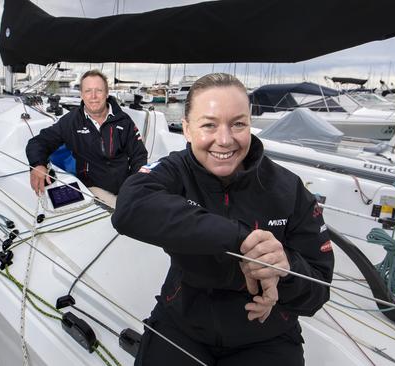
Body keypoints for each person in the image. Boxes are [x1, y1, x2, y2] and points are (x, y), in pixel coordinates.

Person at [111, 73, 334, 365]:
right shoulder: (175, 170)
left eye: (238, 124)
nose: (225, 139)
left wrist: (284, 270)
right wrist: (241, 239)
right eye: (209, 125)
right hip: (183, 323)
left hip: (266, 335)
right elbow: (129, 208)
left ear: (250, 125)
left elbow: (318, 292)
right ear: (188, 130)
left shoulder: (289, 189)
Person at [26, 69, 148, 205]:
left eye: (99, 90)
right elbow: (39, 142)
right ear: (82, 95)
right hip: (91, 188)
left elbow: (139, 155)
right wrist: (37, 165)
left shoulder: (123, 121)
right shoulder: (71, 122)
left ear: (107, 94)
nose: (93, 96)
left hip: (125, 187)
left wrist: (134, 185)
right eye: (88, 91)